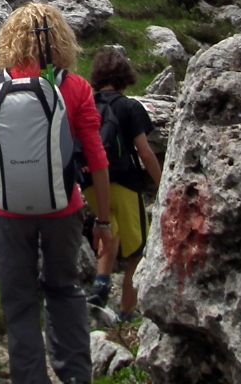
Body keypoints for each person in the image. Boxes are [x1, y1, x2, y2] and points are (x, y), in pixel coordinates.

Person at [0, 3, 117, 384]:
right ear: (63, 40)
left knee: (18, 299)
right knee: (64, 289)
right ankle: (76, 376)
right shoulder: (75, 86)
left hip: (10, 211)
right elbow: (97, 159)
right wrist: (103, 220)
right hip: (65, 208)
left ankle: (30, 378)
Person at [82, 47, 162, 321]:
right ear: (126, 78)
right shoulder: (130, 107)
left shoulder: (87, 104)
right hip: (125, 183)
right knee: (139, 250)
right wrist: (162, 182)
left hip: (90, 181)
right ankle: (126, 314)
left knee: (108, 228)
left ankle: (101, 282)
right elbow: (144, 151)